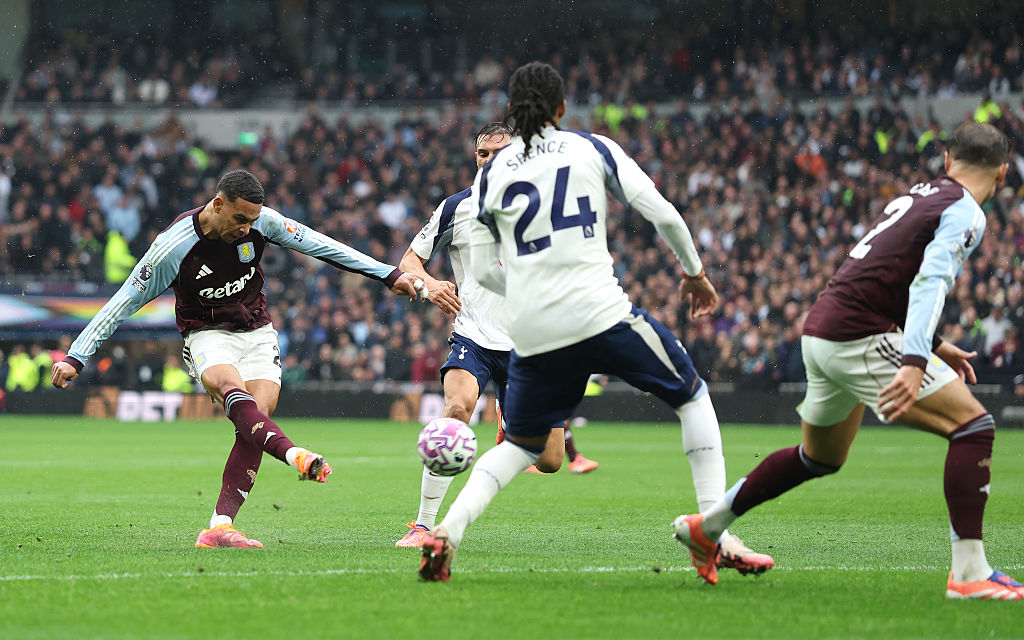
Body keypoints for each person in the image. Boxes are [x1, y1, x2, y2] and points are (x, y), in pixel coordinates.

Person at [418, 62, 772, 581]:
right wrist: (694, 274)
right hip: (599, 312)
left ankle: (447, 532)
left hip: (536, 329)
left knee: (525, 446)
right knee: (693, 396)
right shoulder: (592, 148)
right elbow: (663, 213)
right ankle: (711, 530)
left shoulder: (490, 177)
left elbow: (489, 272)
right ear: (562, 108)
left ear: (513, 112)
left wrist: (532, 294)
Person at [674, 121, 1024, 600]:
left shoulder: (920, 196)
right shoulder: (965, 211)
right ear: (1002, 173)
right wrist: (915, 358)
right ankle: (969, 574)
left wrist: (934, 343)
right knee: (973, 427)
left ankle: (707, 528)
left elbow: (886, 275)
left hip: (822, 330)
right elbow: (930, 281)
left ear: (947, 161)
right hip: (859, 335)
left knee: (818, 457)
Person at [52, 169, 429, 548]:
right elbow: (123, 302)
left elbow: (321, 245)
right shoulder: (173, 248)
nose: (247, 228)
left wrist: (387, 274)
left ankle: (220, 526)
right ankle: (294, 455)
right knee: (233, 391)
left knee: (256, 421)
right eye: (239, 219)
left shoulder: (263, 222)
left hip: (257, 329)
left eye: (252, 219)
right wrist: (76, 355)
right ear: (218, 204)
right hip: (206, 333)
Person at [395, 122, 600, 549]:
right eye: (482, 153)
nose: (489, 160)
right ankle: (423, 525)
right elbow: (410, 261)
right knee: (457, 407)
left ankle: (511, 423)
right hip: (473, 335)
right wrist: (429, 284)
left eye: (500, 153)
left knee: (551, 460)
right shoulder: (457, 207)